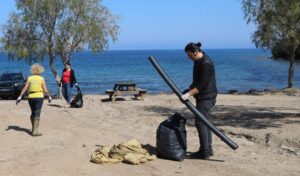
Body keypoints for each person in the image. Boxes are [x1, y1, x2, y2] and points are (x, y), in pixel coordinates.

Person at [181, 42, 218, 159]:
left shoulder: (206, 63)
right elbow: (197, 80)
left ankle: (204, 151)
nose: (188, 58)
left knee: (201, 122)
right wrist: (188, 89)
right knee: (205, 121)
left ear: (195, 52)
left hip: (207, 97)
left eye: (189, 55)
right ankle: (208, 149)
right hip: (202, 96)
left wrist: (189, 95)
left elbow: (203, 84)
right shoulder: (198, 62)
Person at [16, 63, 52, 136]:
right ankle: (35, 131)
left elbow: (25, 88)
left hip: (31, 97)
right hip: (39, 96)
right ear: (40, 70)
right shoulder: (41, 78)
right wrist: (49, 96)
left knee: (33, 112)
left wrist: (20, 96)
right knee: (37, 113)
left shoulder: (29, 78)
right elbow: (45, 89)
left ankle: (33, 128)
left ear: (32, 70)